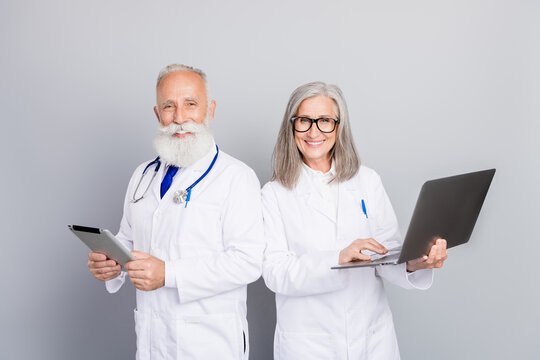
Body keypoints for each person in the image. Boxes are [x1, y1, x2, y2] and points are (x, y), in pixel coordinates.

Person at [87, 64, 264, 359]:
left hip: (210, 343)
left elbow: (248, 261)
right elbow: (128, 241)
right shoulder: (143, 176)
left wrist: (168, 273)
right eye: (168, 107)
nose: (180, 118)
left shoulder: (235, 176)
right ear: (158, 115)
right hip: (153, 339)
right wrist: (110, 265)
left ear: (210, 110)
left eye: (190, 104)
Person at [261, 81, 448, 359]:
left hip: (372, 339)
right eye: (304, 121)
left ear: (339, 127)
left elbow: (388, 254)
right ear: (291, 126)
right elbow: (275, 272)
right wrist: (338, 257)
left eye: (325, 121)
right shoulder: (273, 194)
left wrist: (415, 262)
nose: (314, 132)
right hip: (309, 344)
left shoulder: (367, 181)